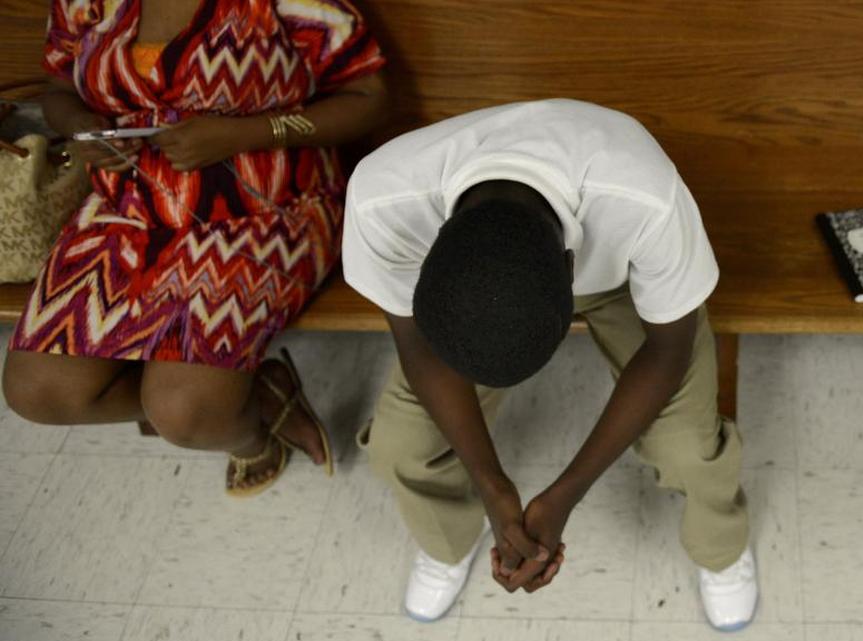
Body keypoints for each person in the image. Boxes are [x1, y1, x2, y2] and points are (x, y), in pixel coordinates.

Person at [343, 98, 759, 631]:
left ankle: (720, 551)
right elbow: (419, 345)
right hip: (471, 297)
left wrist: (565, 494)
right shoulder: (382, 201)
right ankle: (446, 541)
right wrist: (493, 487)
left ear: (571, 269)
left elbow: (668, 349)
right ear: (431, 253)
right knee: (402, 444)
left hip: (623, 283)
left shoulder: (646, 197)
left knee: (685, 445)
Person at [2, 0, 386, 496]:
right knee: (37, 392)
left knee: (185, 411)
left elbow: (369, 95)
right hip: (129, 207)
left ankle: (250, 437)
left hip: (268, 206)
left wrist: (244, 133)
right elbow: (57, 87)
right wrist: (83, 128)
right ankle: (255, 394)